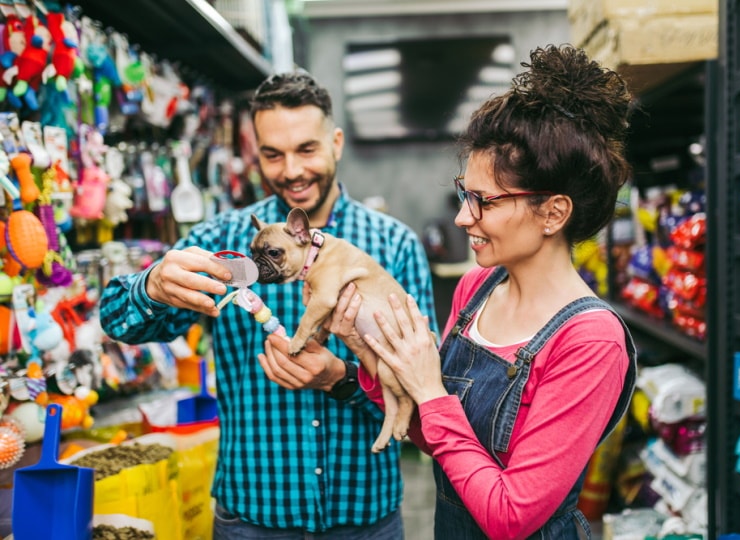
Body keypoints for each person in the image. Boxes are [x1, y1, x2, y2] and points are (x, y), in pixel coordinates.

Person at [98, 70, 438, 539]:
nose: (292, 171)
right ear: (255, 154)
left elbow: (428, 394)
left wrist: (341, 379)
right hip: (252, 520)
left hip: (365, 520)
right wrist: (153, 284)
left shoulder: (391, 245)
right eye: (273, 155)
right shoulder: (224, 241)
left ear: (336, 142)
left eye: (307, 149)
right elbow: (116, 319)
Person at [325, 44, 638, 540]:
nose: (462, 216)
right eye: (463, 194)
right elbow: (440, 439)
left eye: (483, 201)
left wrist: (429, 386)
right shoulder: (476, 289)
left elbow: (509, 516)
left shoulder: (590, 342)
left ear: (554, 213)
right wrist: (368, 356)